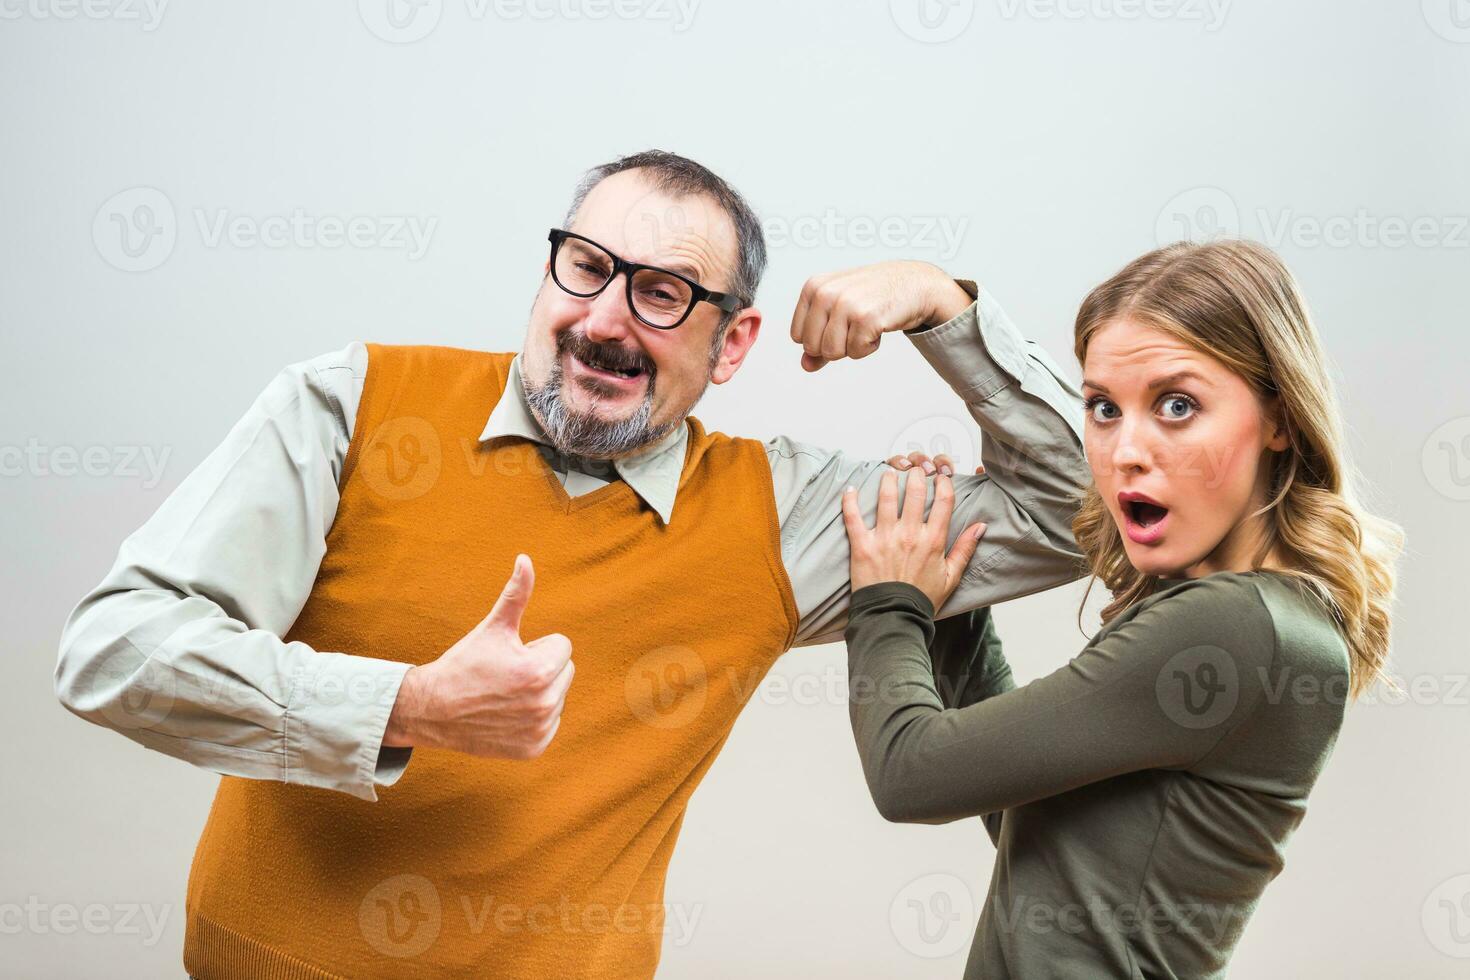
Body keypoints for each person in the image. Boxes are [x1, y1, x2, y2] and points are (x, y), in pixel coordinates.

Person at [54, 150, 1091, 978]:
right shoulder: (352, 404)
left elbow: (1080, 507)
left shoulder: (784, 515)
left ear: (732, 347)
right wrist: (405, 704)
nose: (603, 319)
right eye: (586, 266)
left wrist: (940, 300)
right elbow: (113, 650)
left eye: (664, 292)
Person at [841, 239, 1402, 979]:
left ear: (1280, 418)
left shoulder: (1233, 627)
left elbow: (909, 775)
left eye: (1177, 405)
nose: (1125, 451)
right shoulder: (1260, 618)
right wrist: (953, 606)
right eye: (1103, 408)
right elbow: (1031, 826)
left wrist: (888, 600)